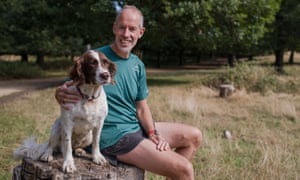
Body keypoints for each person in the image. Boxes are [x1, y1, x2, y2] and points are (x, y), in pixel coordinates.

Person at [55, 5, 202, 180]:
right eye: (122, 27)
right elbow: (67, 87)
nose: (126, 34)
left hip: (134, 127)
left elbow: (141, 107)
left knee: (194, 136)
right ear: (114, 28)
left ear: (141, 32)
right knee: (185, 169)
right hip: (111, 137)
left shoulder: (137, 65)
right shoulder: (96, 59)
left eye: (132, 29)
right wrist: (59, 93)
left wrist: (153, 133)